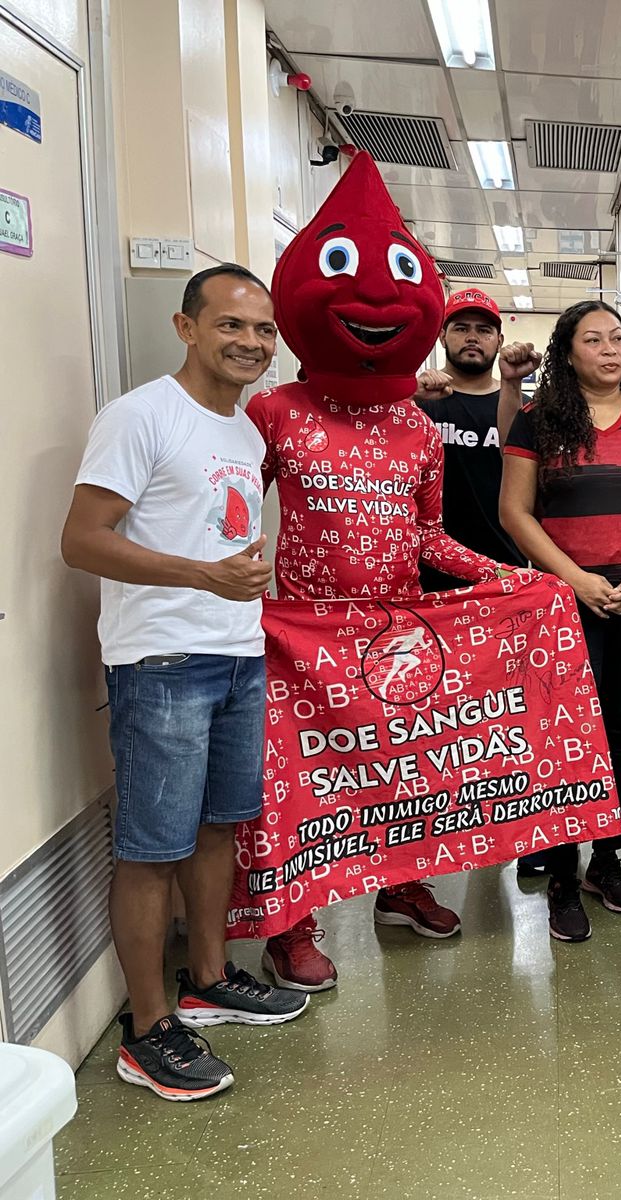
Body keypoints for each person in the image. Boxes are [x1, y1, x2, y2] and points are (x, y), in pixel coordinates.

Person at [248, 152, 510, 991]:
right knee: (298, 790)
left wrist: (505, 579)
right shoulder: (274, 412)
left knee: (404, 770)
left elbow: (430, 536)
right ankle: (290, 928)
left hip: (397, 639)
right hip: (299, 640)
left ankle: (401, 888)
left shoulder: (416, 428)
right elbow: (221, 504)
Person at [61, 265, 307, 1101]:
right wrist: (198, 577)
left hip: (237, 653)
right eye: (232, 325)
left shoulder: (243, 432)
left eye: (263, 331)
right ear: (187, 326)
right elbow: (83, 540)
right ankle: (146, 1026)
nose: (250, 343)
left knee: (218, 829)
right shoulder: (139, 416)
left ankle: (208, 977)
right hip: (160, 661)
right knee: (151, 847)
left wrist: (235, 588)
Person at [500, 300, 621, 942]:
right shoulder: (536, 421)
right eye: (595, 339)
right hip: (563, 599)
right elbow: (515, 513)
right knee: (565, 738)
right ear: (567, 350)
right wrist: (576, 580)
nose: (612, 349)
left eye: (618, 338)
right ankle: (560, 873)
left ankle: (605, 860)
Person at [413, 289, 529, 590]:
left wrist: (512, 384)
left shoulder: (520, 406)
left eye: (484, 330)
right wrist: (405, 393)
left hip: (502, 567)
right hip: (422, 570)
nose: (472, 337)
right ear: (442, 337)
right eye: (461, 328)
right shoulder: (417, 403)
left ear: (499, 341)